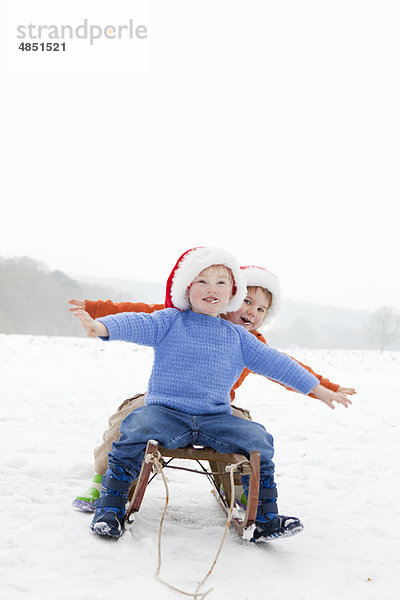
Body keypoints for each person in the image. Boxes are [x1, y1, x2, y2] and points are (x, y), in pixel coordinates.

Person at [73, 247, 352, 541]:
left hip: (215, 416)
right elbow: (135, 320)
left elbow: (278, 364)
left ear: (230, 292)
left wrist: (319, 388)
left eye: (221, 284)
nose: (212, 290)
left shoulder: (240, 338)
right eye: (202, 282)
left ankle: (264, 517)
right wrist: (101, 325)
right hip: (166, 411)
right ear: (186, 289)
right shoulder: (170, 320)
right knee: (134, 424)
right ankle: (110, 505)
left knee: (258, 437)